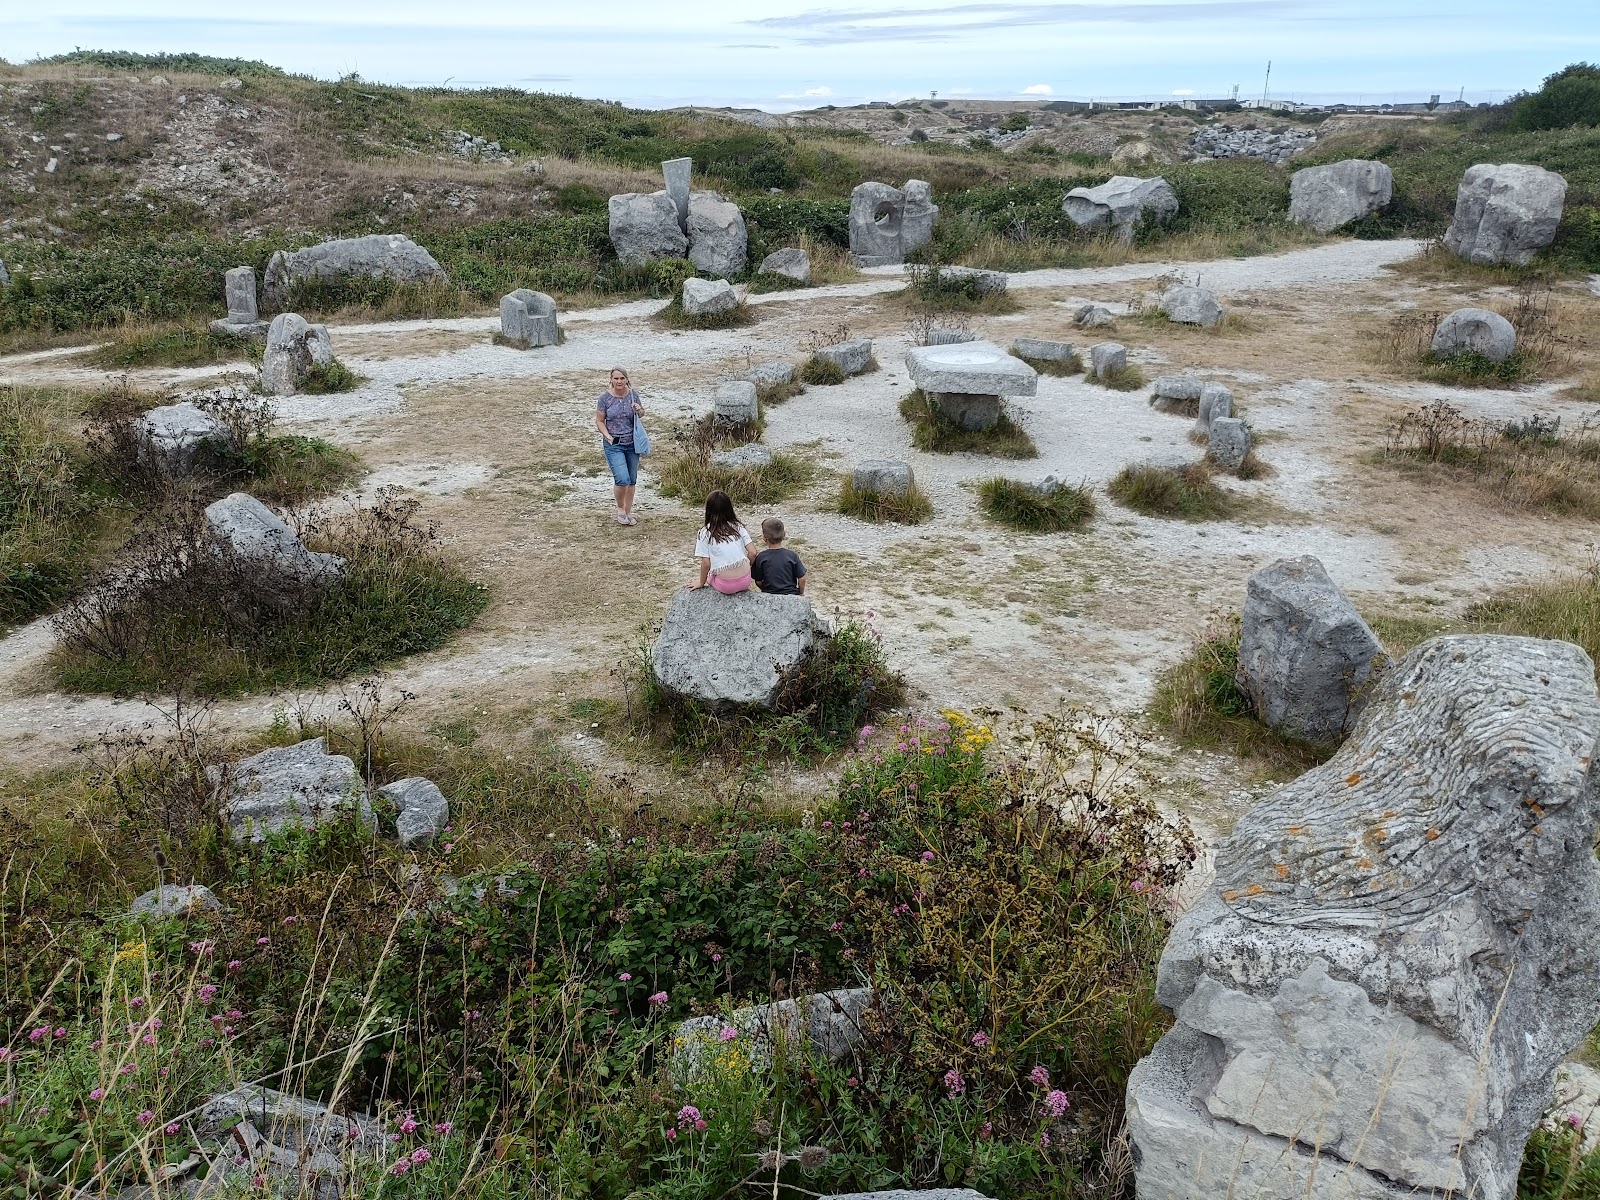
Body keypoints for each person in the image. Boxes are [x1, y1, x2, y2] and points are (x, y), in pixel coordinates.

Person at [594, 367, 644, 526]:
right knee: (622, 478)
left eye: (622, 378)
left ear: (627, 379)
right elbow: (599, 420)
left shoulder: (633, 395)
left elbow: (642, 414)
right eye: (616, 379)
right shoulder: (605, 399)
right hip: (614, 443)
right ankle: (620, 509)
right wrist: (607, 436)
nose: (619, 381)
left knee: (631, 479)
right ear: (611, 380)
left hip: (632, 443)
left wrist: (639, 409)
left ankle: (628, 512)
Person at [689, 491, 757, 594]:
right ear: (729, 507)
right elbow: (753, 553)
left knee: (710, 576)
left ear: (708, 509)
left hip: (725, 585)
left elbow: (706, 564)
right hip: (745, 581)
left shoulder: (705, 532)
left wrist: (701, 583)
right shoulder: (738, 526)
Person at [751, 517, 807, 596]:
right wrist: (801, 593)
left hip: (770, 595)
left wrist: (765, 589)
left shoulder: (761, 557)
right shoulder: (792, 556)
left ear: (764, 538)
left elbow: (758, 581)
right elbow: (802, 578)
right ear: (784, 535)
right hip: (791, 595)